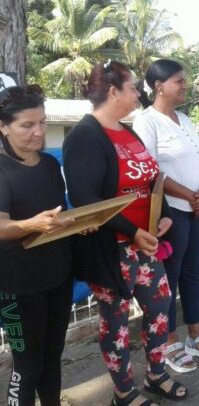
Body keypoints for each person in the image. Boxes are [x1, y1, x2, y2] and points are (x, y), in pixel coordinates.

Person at [63, 61, 187, 406]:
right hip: (112, 248)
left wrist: (162, 216)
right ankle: (123, 391)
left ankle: (156, 374)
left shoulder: (127, 131)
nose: (139, 94)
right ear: (113, 91)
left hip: (146, 243)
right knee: (115, 321)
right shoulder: (84, 136)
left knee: (160, 307)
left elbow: (150, 180)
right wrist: (132, 231)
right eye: (134, 88)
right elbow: (86, 199)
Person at [133, 59, 199, 372]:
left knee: (192, 274)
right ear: (158, 85)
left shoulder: (184, 118)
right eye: (179, 81)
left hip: (197, 209)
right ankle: (168, 341)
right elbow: (151, 171)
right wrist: (191, 196)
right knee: (168, 279)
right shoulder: (147, 122)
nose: (185, 86)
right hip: (173, 213)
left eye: (185, 80)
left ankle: (194, 335)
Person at [0, 85, 74, 406]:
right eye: (27, 125)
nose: (38, 132)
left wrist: (78, 224)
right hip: (18, 284)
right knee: (26, 366)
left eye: (42, 122)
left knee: (52, 356)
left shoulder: (47, 164)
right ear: (3, 126)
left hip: (57, 275)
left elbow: (57, 213)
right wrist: (32, 224)